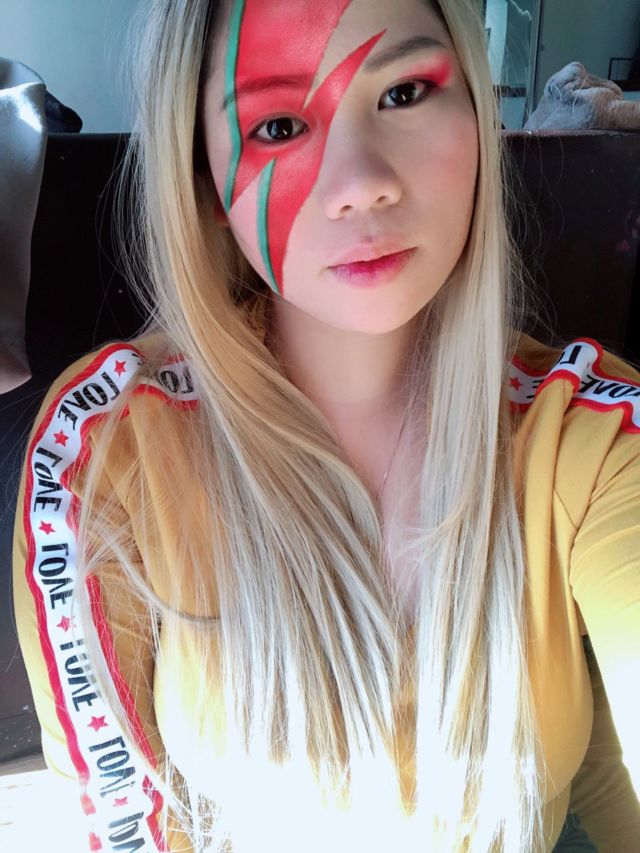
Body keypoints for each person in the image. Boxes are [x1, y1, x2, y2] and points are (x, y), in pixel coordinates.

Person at [11, 1, 640, 851]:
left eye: (405, 92)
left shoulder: (593, 435)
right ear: (203, 177)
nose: (362, 182)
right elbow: (125, 819)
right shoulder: (103, 448)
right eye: (277, 126)